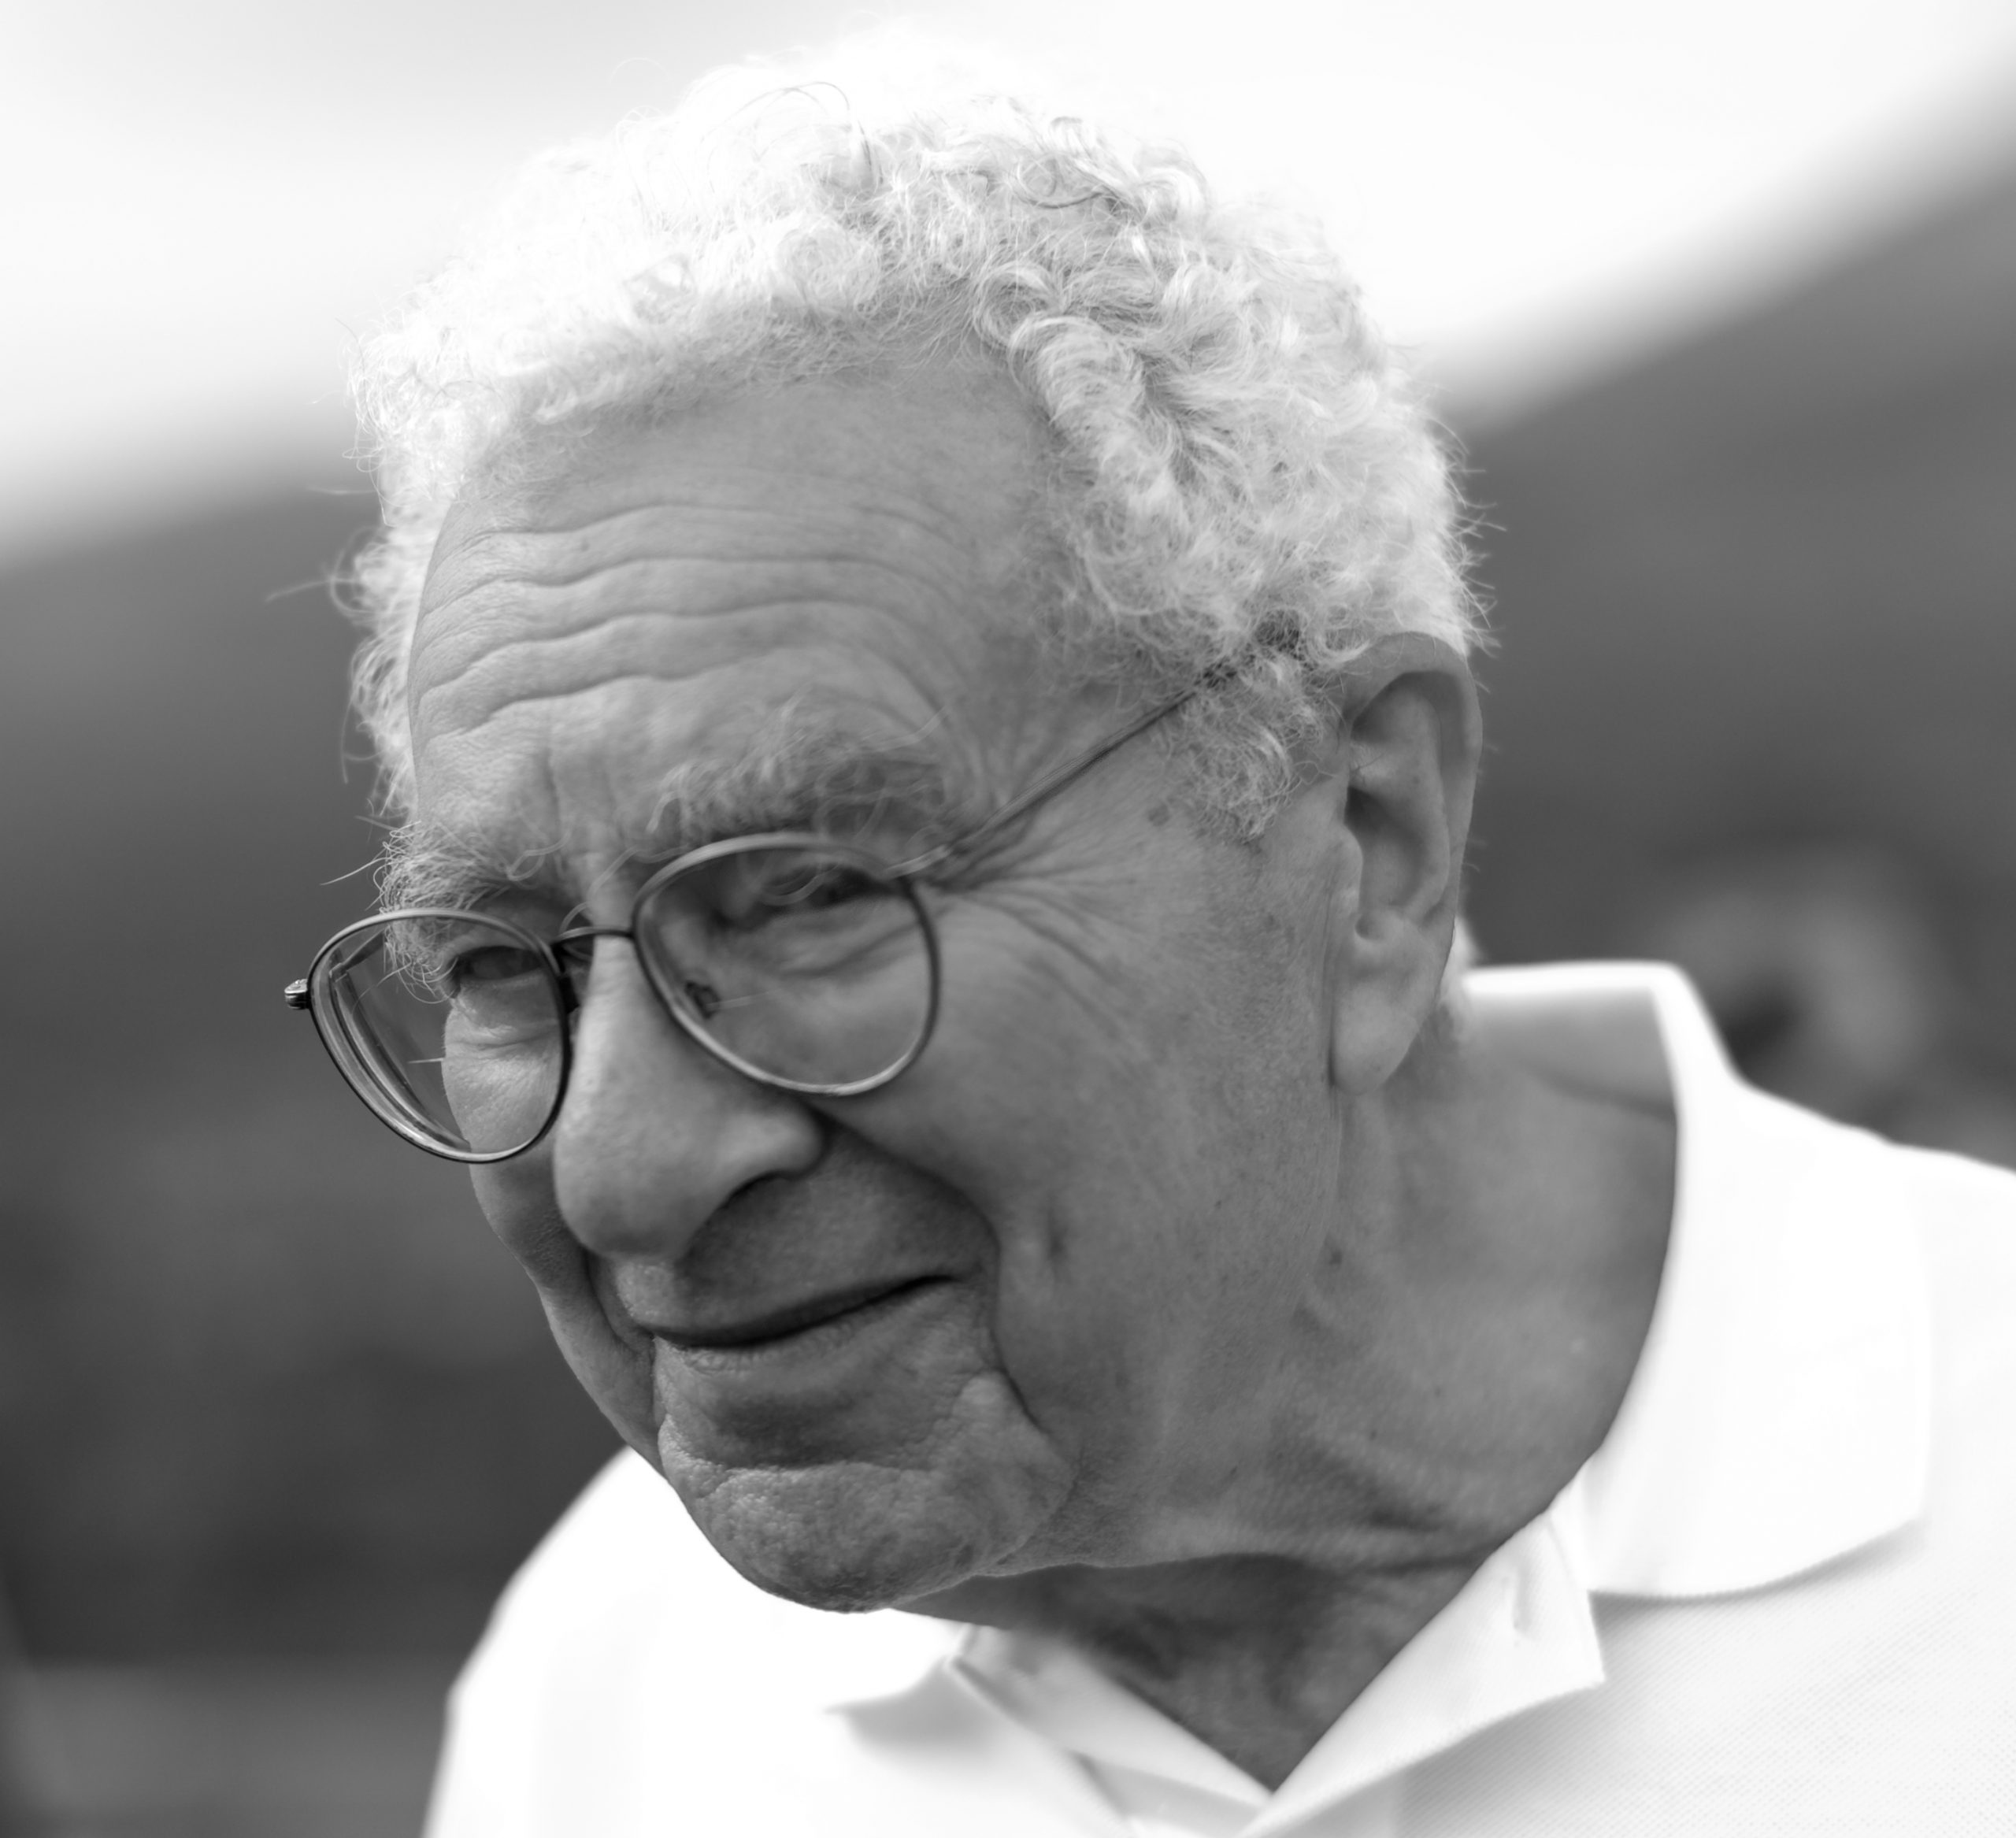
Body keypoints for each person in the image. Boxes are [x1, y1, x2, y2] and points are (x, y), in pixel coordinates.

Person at [286, 49, 2016, 1836]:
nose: (618, 1170)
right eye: (501, 965)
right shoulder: (611, 1698)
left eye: (805, 894)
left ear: (1369, 842)